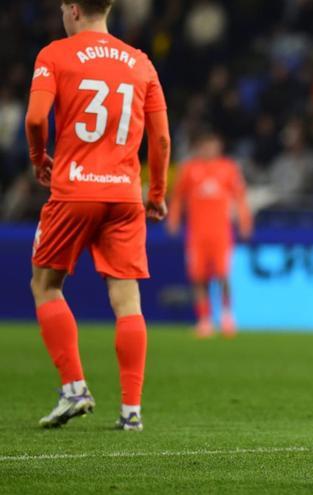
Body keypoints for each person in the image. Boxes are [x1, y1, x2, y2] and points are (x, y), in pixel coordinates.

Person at [26, 0, 170, 431]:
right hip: (124, 197)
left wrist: (38, 159)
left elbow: (36, 118)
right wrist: (157, 193)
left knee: (46, 284)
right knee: (127, 302)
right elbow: (160, 138)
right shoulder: (140, 61)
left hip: (74, 190)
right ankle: (131, 412)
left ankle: (74, 388)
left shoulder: (55, 54)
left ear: (71, 9)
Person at [167, 130, 252, 338]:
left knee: (223, 275)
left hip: (221, 233)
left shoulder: (228, 169)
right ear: (199, 148)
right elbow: (178, 197)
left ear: (219, 147)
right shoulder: (188, 169)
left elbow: (240, 198)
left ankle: (226, 316)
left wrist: (244, 222)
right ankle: (204, 320)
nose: (209, 149)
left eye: (212, 145)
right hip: (196, 234)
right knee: (198, 277)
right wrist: (174, 219)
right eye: (205, 146)